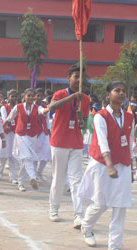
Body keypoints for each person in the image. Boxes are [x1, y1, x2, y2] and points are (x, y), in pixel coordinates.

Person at [79, 81, 134, 250]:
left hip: (123, 164)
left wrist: (130, 167)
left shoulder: (131, 117)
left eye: (124, 91)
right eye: (117, 90)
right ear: (108, 95)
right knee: (100, 203)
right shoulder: (100, 116)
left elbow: (130, 142)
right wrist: (110, 165)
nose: (122, 93)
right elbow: (102, 142)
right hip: (102, 163)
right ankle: (86, 228)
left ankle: (114, 245)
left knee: (121, 205)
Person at [48, 64, 90, 228]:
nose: (79, 80)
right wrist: (72, 98)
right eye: (75, 77)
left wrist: (81, 120)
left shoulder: (85, 99)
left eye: (81, 78)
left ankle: (79, 215)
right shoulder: (59, 94)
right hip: (59, 142)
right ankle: (54, 209)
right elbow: (51, 107)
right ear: (69, 79)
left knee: (76, 180)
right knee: (58, 178)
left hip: (76, 143)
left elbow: (84, 125)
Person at [4, 88, 49, 192]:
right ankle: (33, 176)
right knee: (27, 157)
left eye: (32, 96)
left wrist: (49, 108)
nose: (31, 97)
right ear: (24, 97)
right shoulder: (18, 107)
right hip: (20, 135)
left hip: (32, 136)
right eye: (28, 96)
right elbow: (9, 118)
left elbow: (43, 111)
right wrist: (2, 128)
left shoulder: (37, 108)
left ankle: (21, 183)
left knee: (26, 159)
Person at [0, 89, 19, 184]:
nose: (13, 98)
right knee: (3, 154)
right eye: (12, 96)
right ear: (8, 97)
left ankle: (13, 176)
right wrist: (7, 125)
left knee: (14, 155)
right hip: (6, 132)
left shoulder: (19, 107)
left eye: (15, 96)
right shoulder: (4, 107)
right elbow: (4, 118)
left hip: (15, 133)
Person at [34, 88, 51, 182]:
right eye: (38, 95)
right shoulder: (31, 106)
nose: (40, 97)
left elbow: (47, 120)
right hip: (35, 133)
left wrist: (49, 133)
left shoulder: (45, 106)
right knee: (35, 154)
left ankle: (39, 171)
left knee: (47, 154)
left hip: (44, 132)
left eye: (41, 96)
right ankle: (34, 174)